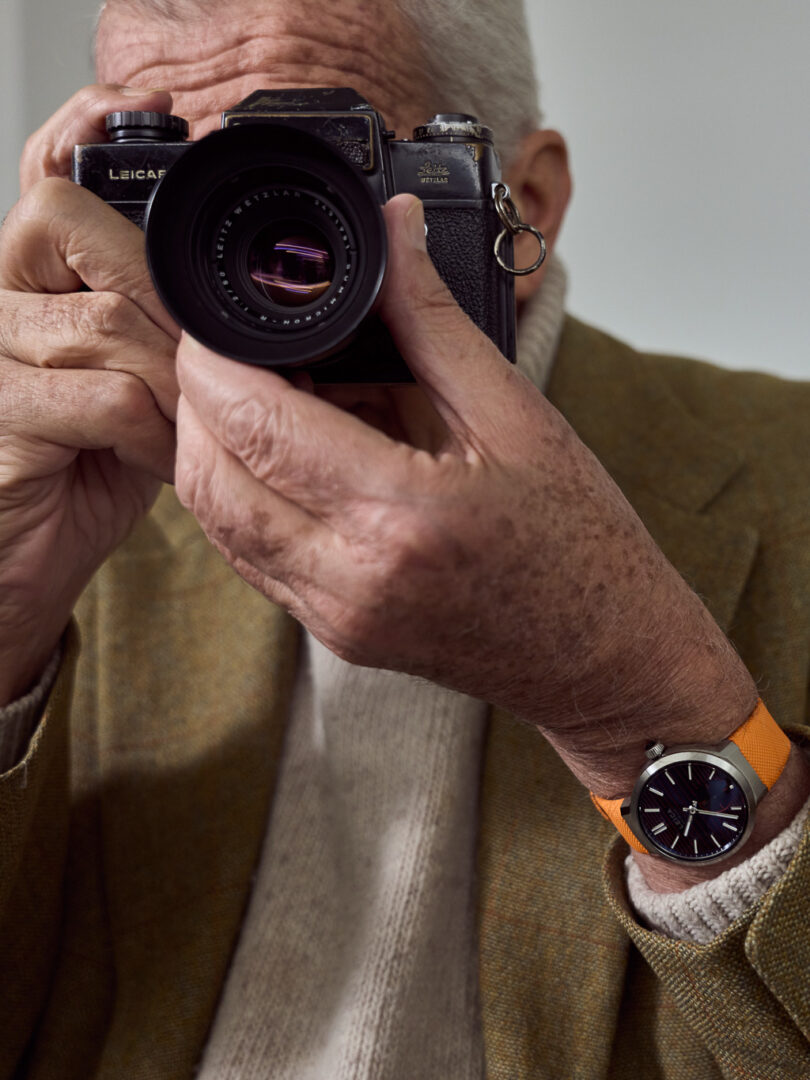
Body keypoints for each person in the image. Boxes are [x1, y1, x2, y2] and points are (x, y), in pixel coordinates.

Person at [1, 0, 809, 1076]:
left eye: (318, 167)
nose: (247, 244)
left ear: (521, 203)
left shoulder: (786, 470)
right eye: (185, 188)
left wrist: (637, 697)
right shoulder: (73, 492)